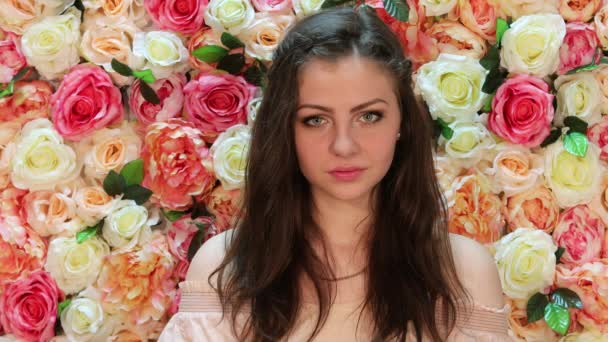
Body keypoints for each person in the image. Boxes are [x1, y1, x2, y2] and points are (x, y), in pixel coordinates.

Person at [159, 6, 510, 342]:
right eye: (316, 120)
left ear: (402, 121)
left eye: (369, 116)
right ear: (285, 128)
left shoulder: (463, 273)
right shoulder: (226, 269)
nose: (344, 146)